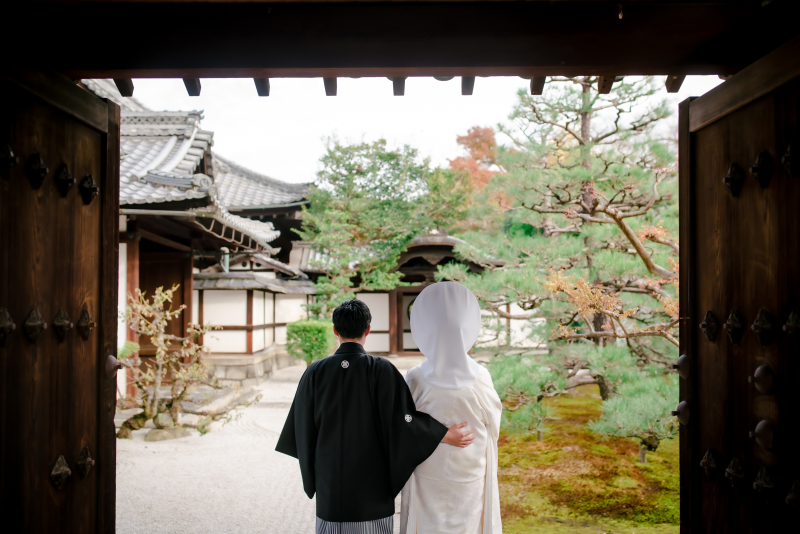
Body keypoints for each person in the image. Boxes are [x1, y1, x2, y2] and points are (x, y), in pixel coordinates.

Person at [276, 298, 475, 533]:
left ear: (335, 330)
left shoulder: (314, 372)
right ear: (368, 329)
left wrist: (317, 472)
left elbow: (301, 428)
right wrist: (442, 433)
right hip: (371, 487)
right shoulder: (381, 369)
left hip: (330, 488)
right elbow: (403, 421)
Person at [400, 282, 503, 534]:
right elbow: (494, 427)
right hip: (469, 472)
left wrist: (438, 433)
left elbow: (404, 425)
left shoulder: (416, 377)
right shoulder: (480, 376)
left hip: (427, 473)